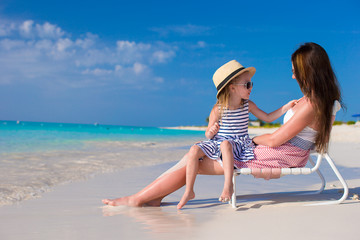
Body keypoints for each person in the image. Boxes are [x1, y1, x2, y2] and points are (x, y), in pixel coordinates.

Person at [102, 42, 342, 209]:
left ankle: (138, 199)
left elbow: (277, 139)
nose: (292, 77)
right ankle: (148, 197)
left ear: (308, 71)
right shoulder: (313, 100)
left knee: (192, 160)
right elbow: (279, 131)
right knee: (192, 158)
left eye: (295, 72)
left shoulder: (312, 104)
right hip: (283, 151)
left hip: (282, 154)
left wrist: (254, 140)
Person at [177, 60, 297, 209]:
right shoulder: (218, 109)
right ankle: (189, 190)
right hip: (218, 142)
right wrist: (211, 131)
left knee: (225, 144)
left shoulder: (248, 105)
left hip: (237, 144)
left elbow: (267, 117)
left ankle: (228, 186)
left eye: (251, 84)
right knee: (194, 150)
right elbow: (208, 134)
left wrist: (286, 107)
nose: (251, 87)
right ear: (232, 88)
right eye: (247, 84)